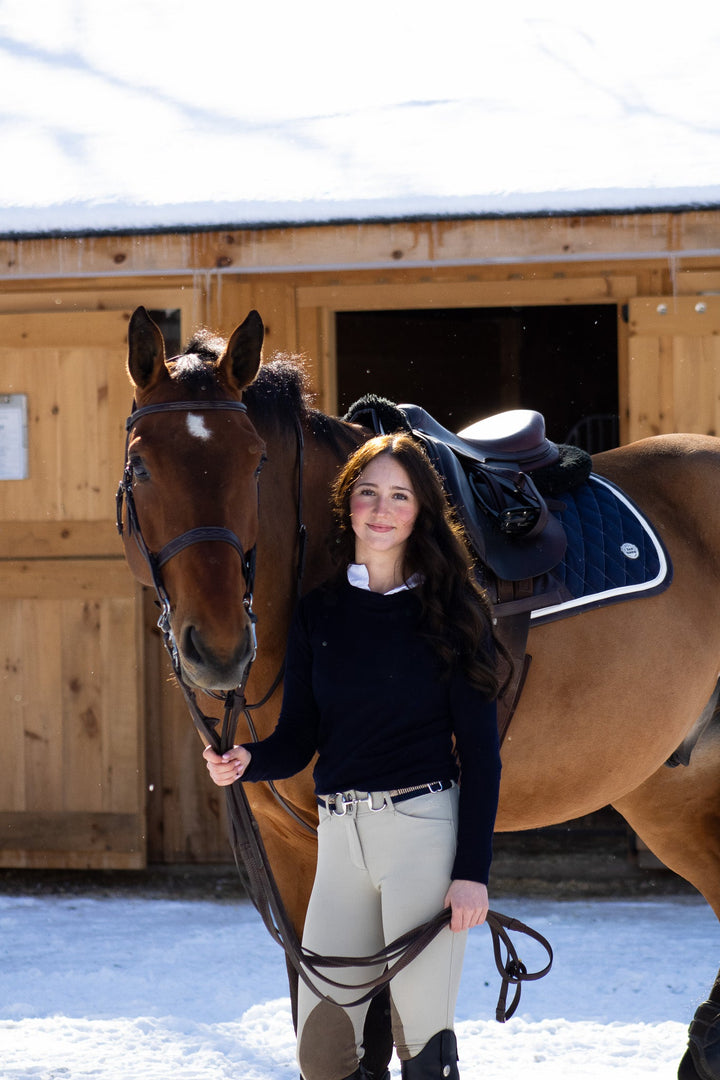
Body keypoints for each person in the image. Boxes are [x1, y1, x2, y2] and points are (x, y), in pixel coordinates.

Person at [204, 432, 504, 1080]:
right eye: (368, 492)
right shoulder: (320, 612)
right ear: (348, 505)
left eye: (400, 496)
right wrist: (248, 761)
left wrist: (472, 874)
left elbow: (482, 758)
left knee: (423, 1049)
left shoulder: (455, 614)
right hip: (340, 841)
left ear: (422, 510)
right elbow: (299, 737)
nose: (381, 509)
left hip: (423, 838)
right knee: (321, 1052)